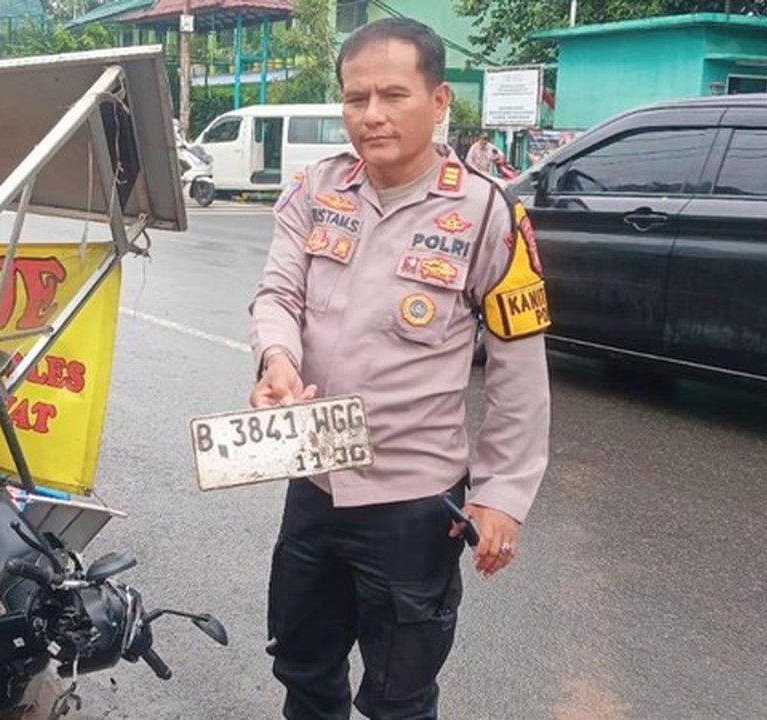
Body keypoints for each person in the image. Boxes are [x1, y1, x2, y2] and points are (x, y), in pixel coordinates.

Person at [249, 18, 551, 720]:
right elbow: (278, 294)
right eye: (356, 98)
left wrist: (502, 494)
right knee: (302, 668)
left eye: (393, 95)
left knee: (400, 695)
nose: (372, 115)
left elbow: (518, 366)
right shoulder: (317, 189)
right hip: (315, 479)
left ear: (440, 101)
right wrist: (277, 359)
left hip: (413, 503)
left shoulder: (486, 213)